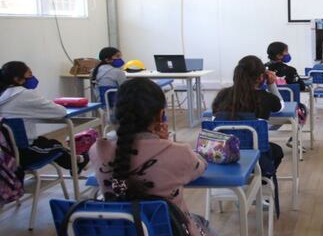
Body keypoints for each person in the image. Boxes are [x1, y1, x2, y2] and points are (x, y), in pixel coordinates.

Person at [89, 78, 213, 235]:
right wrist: (164, 142)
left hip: (120, 230)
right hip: (168, 229)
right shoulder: (179, 153)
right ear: (161, 115)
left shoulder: (97, 150)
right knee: (202, 223)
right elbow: (201, 165)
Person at [0, 61, 88, 171]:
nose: (32, 77)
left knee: (44, 141)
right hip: (24, 155)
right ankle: (80, 161)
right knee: (57, 146)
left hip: (5, 154)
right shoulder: (24, 94)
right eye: (30, 75)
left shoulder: (3, 94)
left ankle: (79, 162)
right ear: (17, 79)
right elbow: (61, 112)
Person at [211, 55, 285, 170]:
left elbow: (215, 116)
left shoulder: (223, 95)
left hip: (221, 155)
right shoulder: (266, 98)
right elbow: (280, 107)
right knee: (277, 151)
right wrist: (271, 84)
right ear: (261, 77)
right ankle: (264, 177)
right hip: (257, 158)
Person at [266, 41, 308, 149]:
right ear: (279, 55)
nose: (288, 54)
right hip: (287, 108)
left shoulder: (262, 70)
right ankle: (293, 139)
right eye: (286, 52)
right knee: (303, 109)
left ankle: (266, 131)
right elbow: (301, 87)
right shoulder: (289, 70)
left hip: (265, 109)